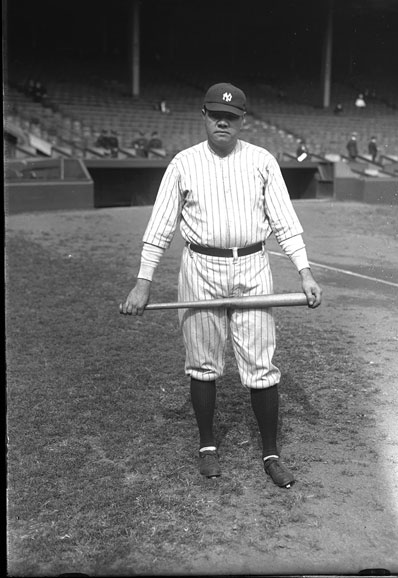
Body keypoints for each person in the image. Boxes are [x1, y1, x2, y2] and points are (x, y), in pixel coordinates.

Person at [119, 82, 322, 489]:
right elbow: (159, 228)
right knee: (203, 361)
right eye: (216, 115)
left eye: (231, 116)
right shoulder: (183, 163)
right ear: (205, 116)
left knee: (261, 365)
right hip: (200, 268)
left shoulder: (262, 161)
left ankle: (270, 454)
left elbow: (285, 222)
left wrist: (304, 271)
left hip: (252, 267)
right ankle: (208, 447)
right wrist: (143, 282)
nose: (223, 122)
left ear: (242, 120)